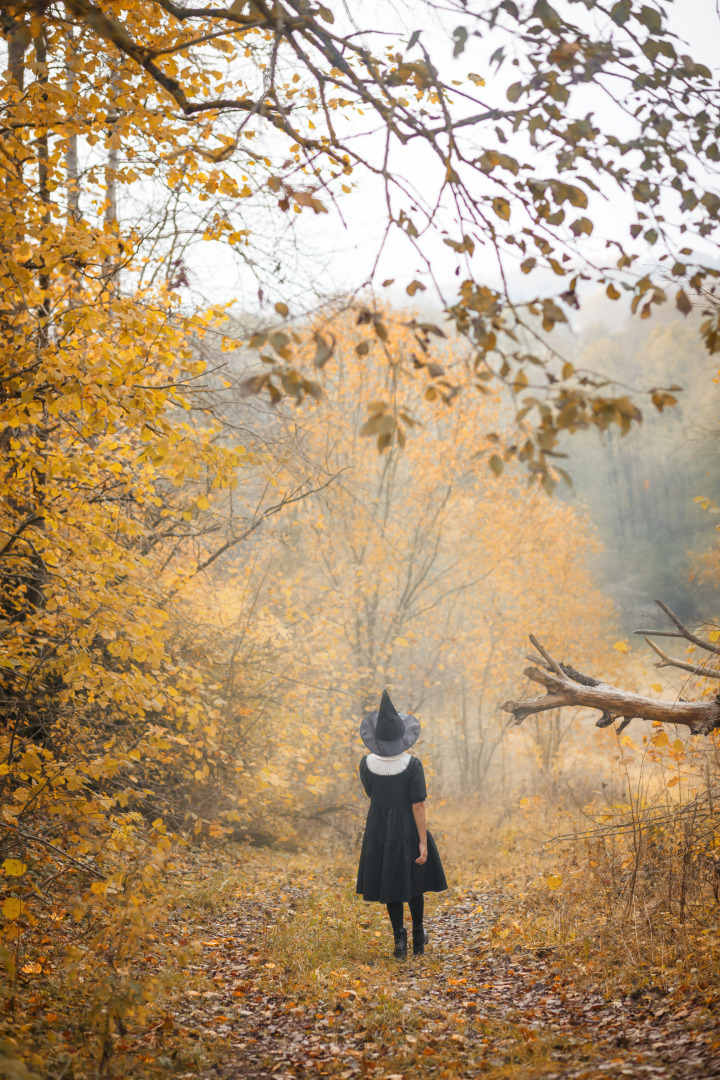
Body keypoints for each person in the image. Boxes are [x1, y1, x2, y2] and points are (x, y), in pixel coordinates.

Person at [355, 689, 448, 960]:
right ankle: (419, 934)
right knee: (414, 882)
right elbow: (418, 804)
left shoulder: (366, 763)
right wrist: (422, 841)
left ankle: (399, 942)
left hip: (379, 829)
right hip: (407, 829)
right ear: (401, 736)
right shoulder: (412, 765)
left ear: (377, 737)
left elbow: (371, 794)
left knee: (390, 882)